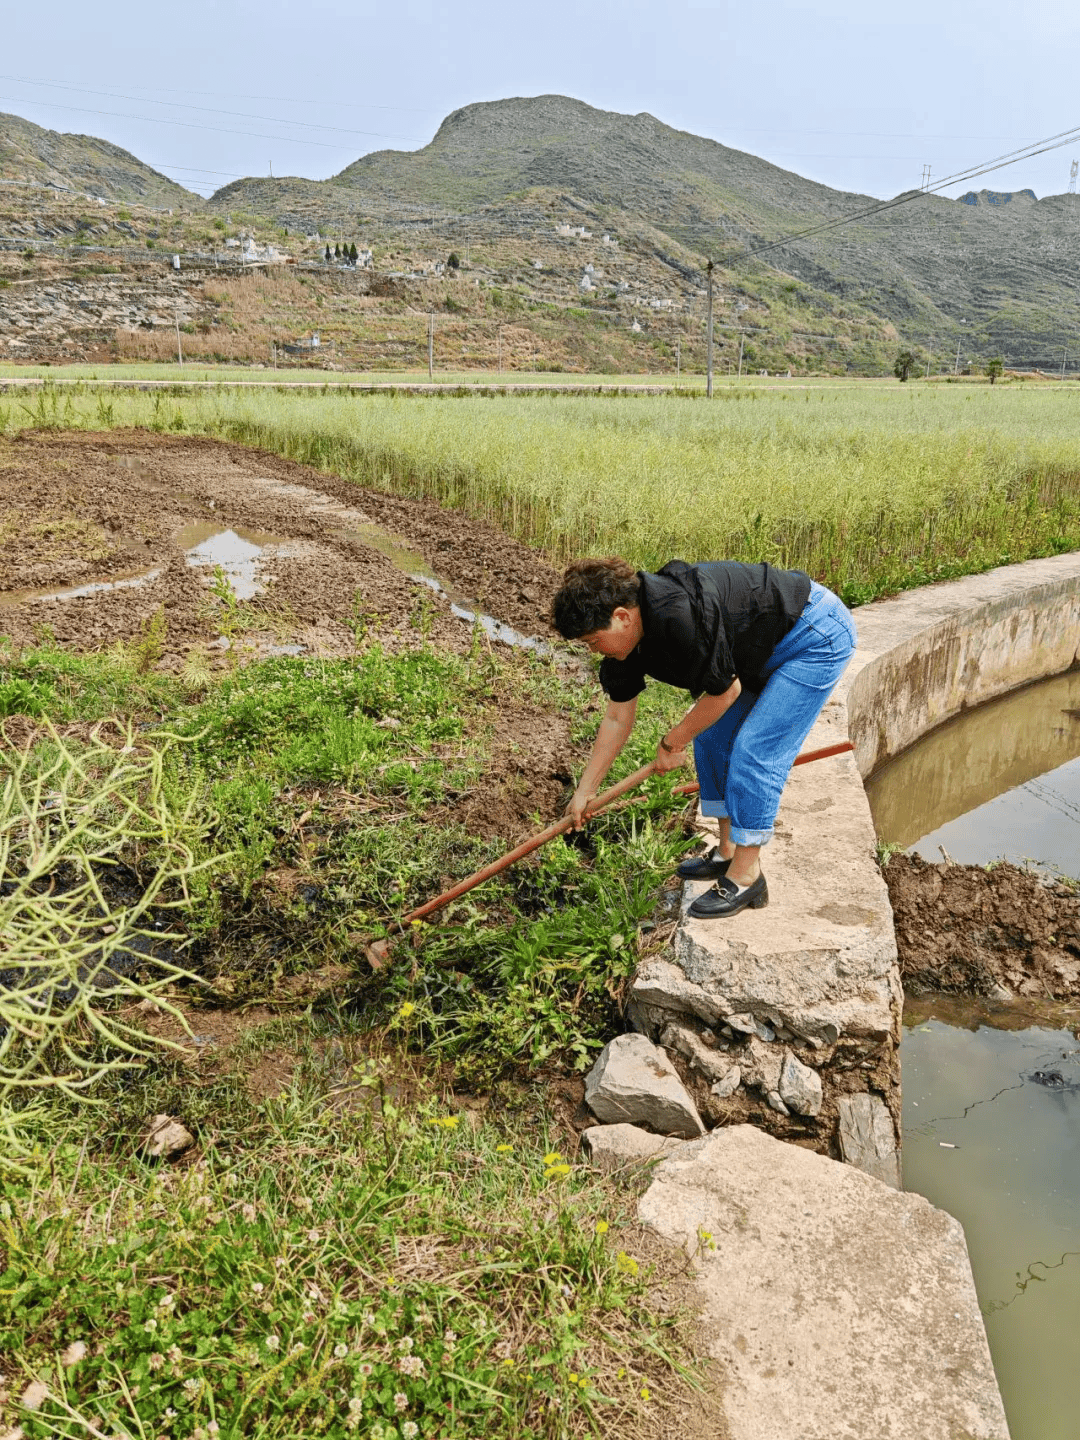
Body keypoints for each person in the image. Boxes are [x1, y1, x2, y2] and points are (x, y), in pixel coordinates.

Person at [550, 557, 857, 919]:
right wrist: (585, 790)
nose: (593, 650)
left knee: (755, 749)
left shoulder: (677, 615)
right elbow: (618, 718)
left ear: (622, 616)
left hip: (812, 634)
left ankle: (746, 876)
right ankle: (727, 852)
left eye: (593, 640)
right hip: (760, 647)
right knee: (711, 735)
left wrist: (671, 743)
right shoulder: (626, 645)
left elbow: (725, 692)